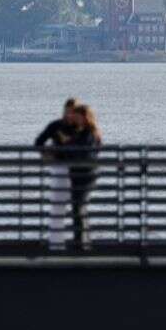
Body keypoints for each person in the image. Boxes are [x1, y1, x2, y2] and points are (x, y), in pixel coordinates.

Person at [34, 99, 79, 249]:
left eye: (72, 112)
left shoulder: (82, 128)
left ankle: (79, 244)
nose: (69, 114)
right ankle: (56, 245)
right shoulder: (55, 126)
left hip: (78, 170)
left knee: (78, 209)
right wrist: (48, 157)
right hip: (59, 169)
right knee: (57, 207)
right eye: (67, 111)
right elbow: (38, 143)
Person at [62, 104, 102, 250]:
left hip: (84, 175)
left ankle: (80, 243)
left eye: (77, 116)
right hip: (80, 174)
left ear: (85, 117)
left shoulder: (88, 133)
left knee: (78, 207)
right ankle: (82, 241)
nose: (75, 119)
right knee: (79, 207)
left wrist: (67, 146)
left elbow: (83, 153)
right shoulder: (84, 132)